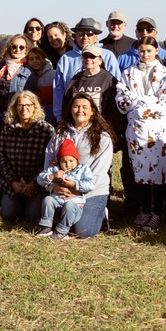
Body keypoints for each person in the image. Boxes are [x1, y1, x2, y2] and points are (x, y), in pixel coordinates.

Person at [117, 37, 166, 230]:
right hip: (136, 130)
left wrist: (138, 104)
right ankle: (144, 210)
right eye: (142, 51)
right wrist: (148, 102)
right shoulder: (128, 73)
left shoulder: (165, 73)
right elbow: (122, 102)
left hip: (158, 132)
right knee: (139, 170)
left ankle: (157, 212)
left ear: (156, 51)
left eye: (149, 50)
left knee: (158, 171)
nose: (145, 54)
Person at [54, 94, 116, 238]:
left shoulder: (103, 137)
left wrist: (77, 189)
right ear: (70, 110)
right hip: (63, 189)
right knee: (44, 218)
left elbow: (99, 172)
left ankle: (101, 213)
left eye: (84, 107)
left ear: (93, 111)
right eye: (76, 107)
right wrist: (54, 186)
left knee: (83, 231)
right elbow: (49, 161)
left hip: (92, 191)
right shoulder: (60, 134)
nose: (80, 110)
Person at [0, 91, 57, 224]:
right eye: (20, 105)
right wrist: (13, 182)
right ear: (15, 107)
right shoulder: (8, 129)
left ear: (35, 107)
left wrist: (34, 184)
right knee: (7, 215)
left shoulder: (46, 130)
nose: (24, 109)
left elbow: (50, 161)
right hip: (14, 182)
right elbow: (2, 157)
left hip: (37, 184)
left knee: (32, 218)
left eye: (28, 105)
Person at [52, 18, 122, 119]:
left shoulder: (107, 55)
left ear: (95, 36)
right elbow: (58, 90)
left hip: (102, 117)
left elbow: (116, 87)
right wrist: (59, 117)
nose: (85, 37)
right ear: (75, 35)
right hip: (75, 116)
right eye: (81, 33)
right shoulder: (66, 58)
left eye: (89, 34)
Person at [36, 139, 94, 238]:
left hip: (74, 206)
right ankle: (46, 226)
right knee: (48, 199)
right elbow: (39, 180)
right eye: (64, 161)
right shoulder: (55, 170)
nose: (67, 165)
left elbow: (91, 185)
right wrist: (52, 176)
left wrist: (75, 185)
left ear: (77, 160)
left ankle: (62, 231)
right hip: (57, 204)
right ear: (59, 162)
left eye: (71, 161)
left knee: (69, 205)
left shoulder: (83, 169)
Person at [61, 45, 119, 127]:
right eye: (85, 56)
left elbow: (115, 111)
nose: (88, 59)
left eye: (92, 56)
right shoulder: (75, 80)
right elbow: (66, 106)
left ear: (100, 60)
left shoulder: (109, 80)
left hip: (100, 128)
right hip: (78, 127)